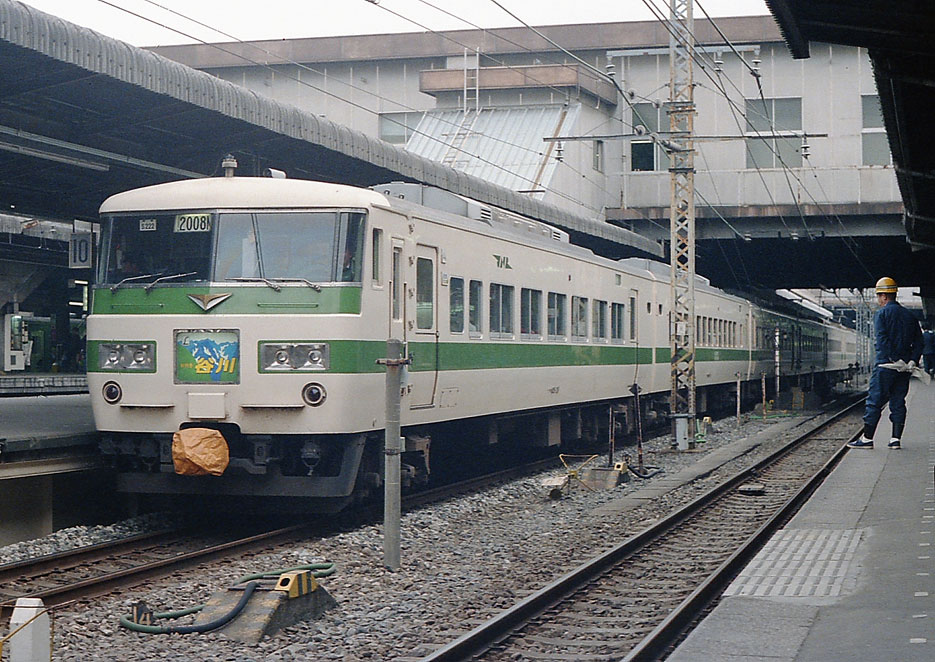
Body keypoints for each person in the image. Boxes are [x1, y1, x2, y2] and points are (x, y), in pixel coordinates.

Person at [848, 277, 923, 449]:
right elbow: (919, 342)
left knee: (874, 400)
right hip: (904, 368)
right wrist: (911, 360)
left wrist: (894, 358)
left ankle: (867, 439)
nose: (878, 300)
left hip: (885, 366)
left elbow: (882, 340)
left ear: (883, 296)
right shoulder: (910, 316)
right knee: (898, 401)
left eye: (878, 296)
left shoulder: (881, 314)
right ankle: (895, 439)